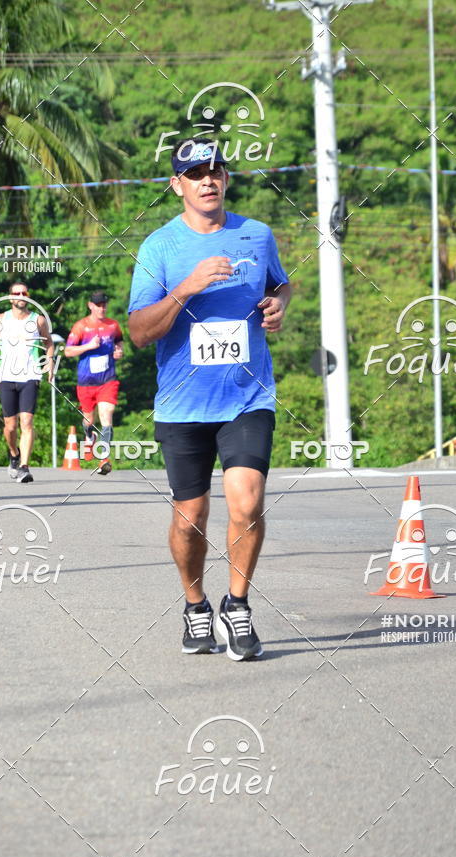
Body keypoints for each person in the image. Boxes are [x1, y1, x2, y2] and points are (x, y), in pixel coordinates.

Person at [128, 138, 291, 660]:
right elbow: (139, 332)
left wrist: (278, 306)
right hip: (183, 405)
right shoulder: (159, 247)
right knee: (189, 518)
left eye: (215, 170)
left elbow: (281, 285)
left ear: (226, 178)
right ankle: (196, 605)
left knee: (247, 502)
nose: (208, 180)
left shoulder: (256, 235)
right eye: (195, 173)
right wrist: (187, 288)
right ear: (177, 184)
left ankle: (237, 604)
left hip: (247, 396)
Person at [0, 282, 53, 483]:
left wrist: (49, 361)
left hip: (30, 375)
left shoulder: (37, 320)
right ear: (10, 297)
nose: (21, 296)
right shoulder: (0, 319)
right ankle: (14, 454)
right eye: (17, 293)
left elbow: (48, 342)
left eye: (24, 293)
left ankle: (24, 466)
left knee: (27, 422)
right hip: (6, 376)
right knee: (10, 426)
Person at [64, 290, 123, 476]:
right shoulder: (81, 326)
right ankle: (90, 436)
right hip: (86, 382)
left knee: (107, 414)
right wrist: (88, 346)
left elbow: (119, 342)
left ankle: (104, 458)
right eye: (98, 305)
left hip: (107, 380)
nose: (102, 308)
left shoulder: (113, 325)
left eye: (104, 305)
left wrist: (119, 352)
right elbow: (68, 351)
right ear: (90, 306)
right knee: (89, 419)